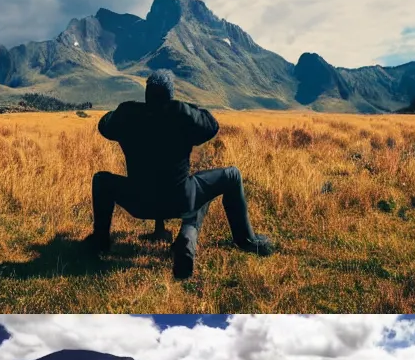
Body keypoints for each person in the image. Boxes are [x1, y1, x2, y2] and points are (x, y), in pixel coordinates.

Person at [88, 68, 275, 278]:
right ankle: (241, 240)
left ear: (147, 93)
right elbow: (211, 125)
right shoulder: (181, 114)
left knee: (101, 180)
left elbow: (104, 125)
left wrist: (126, 111)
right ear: (171, 94)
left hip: (139, 201)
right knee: (228, 177)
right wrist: (185, 107)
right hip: (179, 200)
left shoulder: (128, 114)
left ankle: (100, 241)